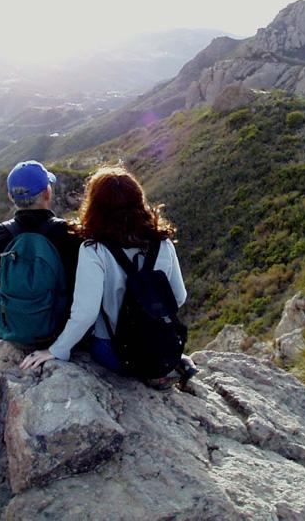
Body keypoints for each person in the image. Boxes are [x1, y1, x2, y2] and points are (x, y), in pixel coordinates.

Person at [19, 166, 196, 388]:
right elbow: (179, 297)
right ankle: (168, 363)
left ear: (95, 206)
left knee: (84, 340)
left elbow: (85, 314)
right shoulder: (162, 242)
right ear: (139, 200)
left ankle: (147, 368)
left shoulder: (94, 250)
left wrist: (56, 350)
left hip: (116, 352)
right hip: (159, 345)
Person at [0, 160, 82, 349]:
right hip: (62, 336)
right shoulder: (71, 234)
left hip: (16, 337)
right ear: (47, 192)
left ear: (11, 196)